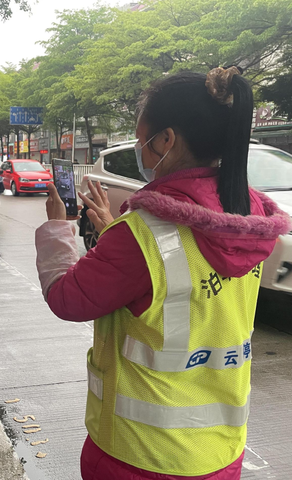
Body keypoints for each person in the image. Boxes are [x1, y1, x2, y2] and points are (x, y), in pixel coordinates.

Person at [35, 67, 292, 480]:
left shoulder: (141, 236)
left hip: (140, 455)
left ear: (167, 140)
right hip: (221, 453)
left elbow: (68, 298)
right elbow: (177, 279)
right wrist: (111, 233)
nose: (142, 150)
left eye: (143, 141)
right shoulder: (244, 222)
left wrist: (57, 230)